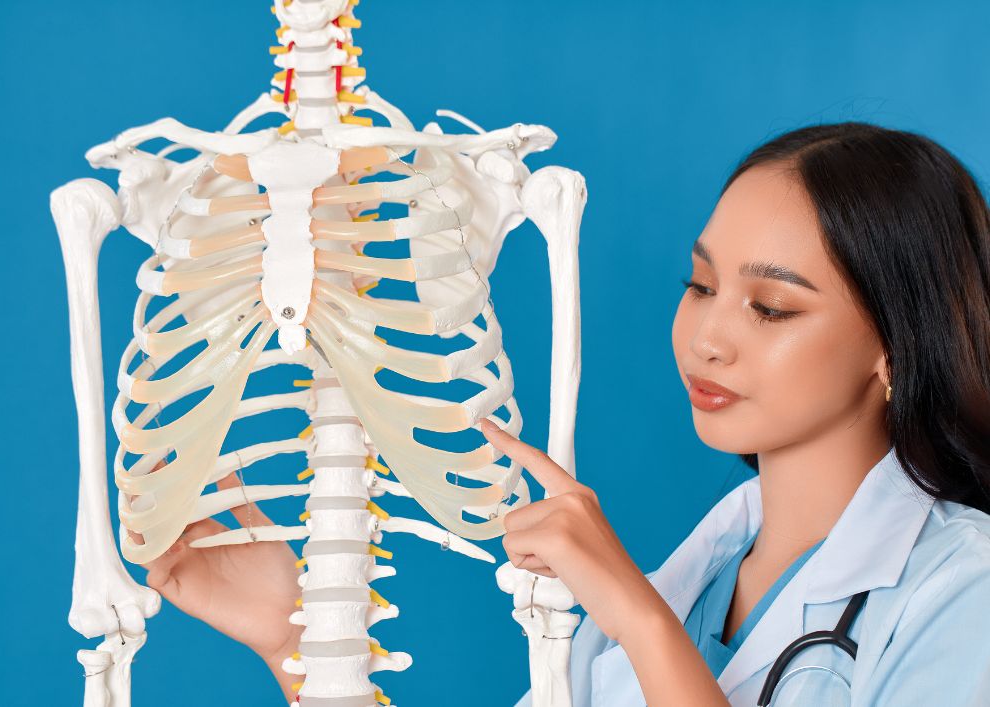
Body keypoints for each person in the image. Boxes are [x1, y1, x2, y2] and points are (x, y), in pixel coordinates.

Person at [134, 121, 990, 706]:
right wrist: (296, 639)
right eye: (699, 285)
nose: (707, 338)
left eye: (770, 307)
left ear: (894, 344)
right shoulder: (690, 588)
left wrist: (632, 613)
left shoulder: (964, 591)